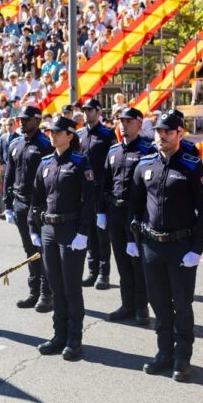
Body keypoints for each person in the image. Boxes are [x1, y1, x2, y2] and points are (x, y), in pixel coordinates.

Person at [130, 110, 203, 382]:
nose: (162, 136)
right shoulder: (144, 165)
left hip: (181, 247)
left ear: (180, 134)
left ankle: (182, 357)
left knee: (182, 304)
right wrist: (134, 239)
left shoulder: (192, 166)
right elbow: (135, 205)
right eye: (158, 131)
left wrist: (196, 249)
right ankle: (164, 352)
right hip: (152, 246)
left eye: (167, 131)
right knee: (159, 302)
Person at [29, 117, 94, 361]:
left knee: (71, 287)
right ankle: (59, 335)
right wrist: (33, 227)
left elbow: (89, 200)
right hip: (49, 229)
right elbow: (37, 197)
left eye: (57, 132)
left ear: (69, 135)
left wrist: (83, 233)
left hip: (71, 229)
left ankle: (74, 339)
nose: (52, 136)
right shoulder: (45, 162)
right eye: (50, 132)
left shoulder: (80, 162)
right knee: (56, 286)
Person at [100, 107, 156, 325]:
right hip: (116, 211)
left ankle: (141, 306)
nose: (123, 125)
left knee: (137, 262)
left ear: (139, 124)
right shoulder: (113, 151)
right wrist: (101, 211)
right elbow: (105, 183)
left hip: (137, 213)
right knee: (122, 261)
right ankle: (127, 304)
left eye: (128, 121)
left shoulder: (147, 150)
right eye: (121, 121)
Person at [4, 106, 54, 312]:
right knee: (29, 250)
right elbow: (9, 174)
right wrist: (7, 204)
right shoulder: (15, 143)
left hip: (38, 205)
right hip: (20, 204)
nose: (22, 122)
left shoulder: (45, 145)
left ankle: (46, 293)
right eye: (20, 119)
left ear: (37, 120)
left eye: (26, 119)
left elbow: (50, 178)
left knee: (43, 250)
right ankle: (34, 291)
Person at [76, 98, 114, 290]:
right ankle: (92, 271)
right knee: (89, 231)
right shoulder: (79, 134)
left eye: (89, 110)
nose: (86, 113)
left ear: (98, 112)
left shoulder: (107, 134)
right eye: (84, 110)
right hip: (85, 191)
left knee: (102, 234)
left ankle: (103, 273)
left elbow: (112, 164)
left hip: (101, 190)